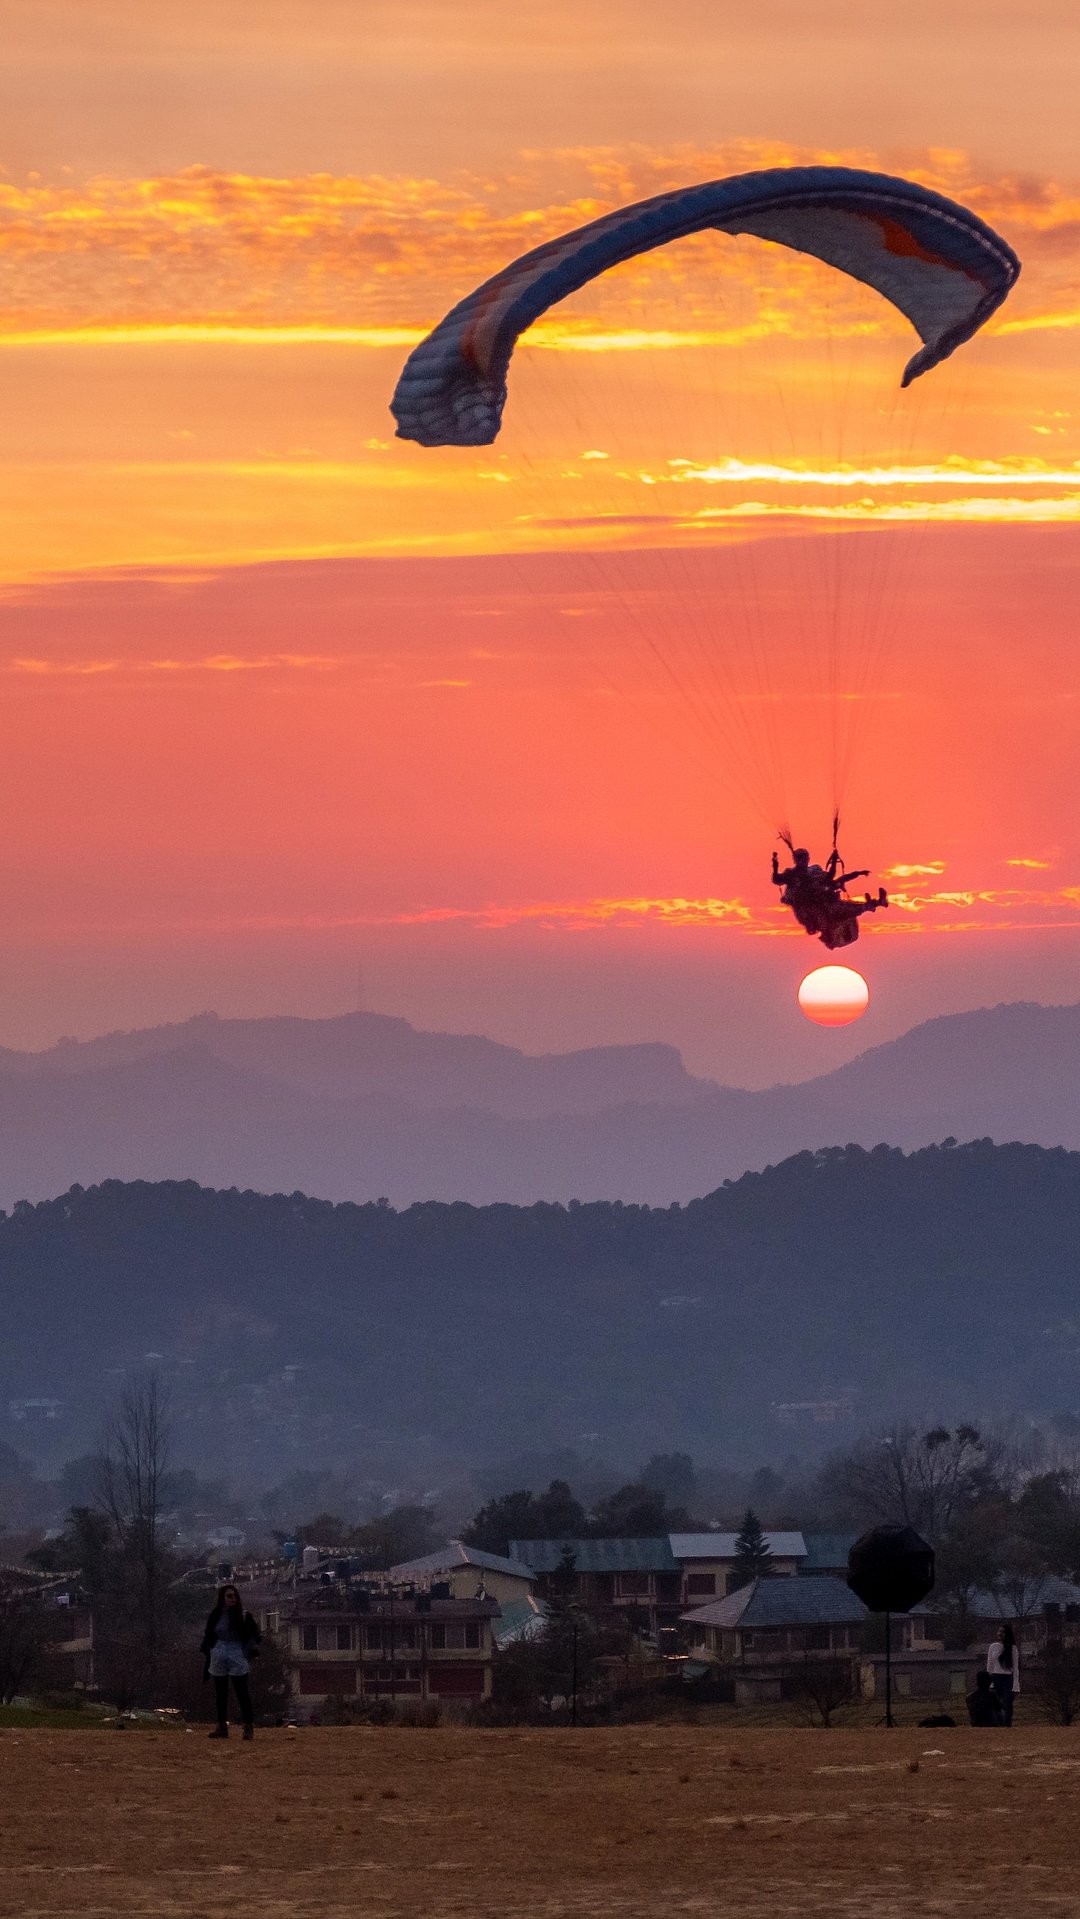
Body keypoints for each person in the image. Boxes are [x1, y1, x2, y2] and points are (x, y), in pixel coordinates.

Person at [772, 844, 888, 950]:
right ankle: (872, 905)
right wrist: (775, 866)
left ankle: (876, 903)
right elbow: (777, 880)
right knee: (840, 911)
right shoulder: (791, 874)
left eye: (806, 858)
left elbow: (830, 876)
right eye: (802, 858)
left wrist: (834, 860)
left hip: (823, 903)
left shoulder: (814, 871)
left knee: (844, 907)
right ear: (797, 860)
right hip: (810, 910)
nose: (805, 860)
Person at [201, 1582, 262, 1739]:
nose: (233, 1598)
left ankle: (248, 1726)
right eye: (229, 1596)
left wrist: (249, 1648)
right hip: (219, 1650)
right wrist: (212, 1648)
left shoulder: (243, 1614)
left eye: (234, 1596)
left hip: (236, 1651)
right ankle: (222, 1726)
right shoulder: (216, 1614)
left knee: (242, 1691)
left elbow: (254, 1634)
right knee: (220, 1692)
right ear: (223, 1598)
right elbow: (208, 1632)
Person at [987, 1623, 1019, 1725]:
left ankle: (1007, 1727)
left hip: (1007, 1679)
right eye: (999, 1631)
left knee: (1007, 1705)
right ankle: (995, 1726)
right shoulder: (993, 1646)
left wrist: (1016, 1686)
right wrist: (990, 1682)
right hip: (995, 1677)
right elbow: (989, 1666)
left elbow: (1015, 1668)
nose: (1000, 1633)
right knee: (994, 1705)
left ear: (1007, 1634)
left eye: (1003, 1632)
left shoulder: (1013, 1649)